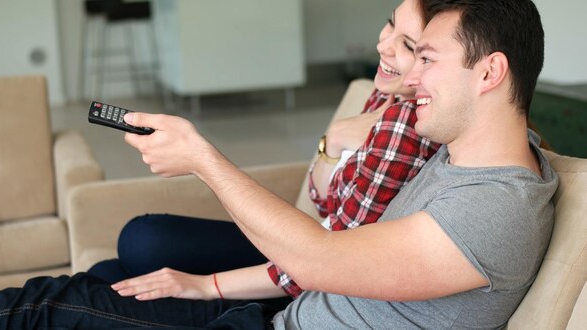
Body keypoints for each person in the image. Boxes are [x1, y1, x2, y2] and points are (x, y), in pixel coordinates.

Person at [0, 0, 558, 329]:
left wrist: (202, 158)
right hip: (275, 317)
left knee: (49, 311)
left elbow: (320, 257)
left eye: (425, 58)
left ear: (489, 72)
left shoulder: (494, 206)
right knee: (77, 293)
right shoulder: (475, 156)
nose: (410, 76)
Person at [88, 0, 441, 304]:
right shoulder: (386, 95)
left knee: (142, 241)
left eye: (408, 46)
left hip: (307, 275)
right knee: (113, 266)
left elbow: (324, 262)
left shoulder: (403, 124)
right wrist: (333, 139)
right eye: (390, 23)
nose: (383, 46)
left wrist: (206, 287)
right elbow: (323, 203)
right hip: (303, 243)